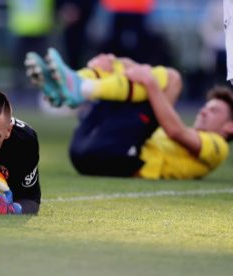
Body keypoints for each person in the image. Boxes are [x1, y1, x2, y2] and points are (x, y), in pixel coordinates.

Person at [25, 48, 233, 179]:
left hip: (121, 157)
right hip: (87, 150)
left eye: (214, 110)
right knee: (122, 67)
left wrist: (149, 81)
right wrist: (114, 63)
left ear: (229, 127)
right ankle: (68, 85)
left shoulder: (218, 146)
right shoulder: (186, 131)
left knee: (172, 77)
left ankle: (78, 85)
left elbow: (174, 131)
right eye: (206, 106)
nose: (204, 111)